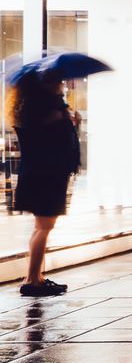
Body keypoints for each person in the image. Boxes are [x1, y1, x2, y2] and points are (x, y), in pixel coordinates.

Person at [10, 72, 81, 298]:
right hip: (46, 175)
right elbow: (52, 142)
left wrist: (71, 122)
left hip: (40, 174)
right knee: (44, 226)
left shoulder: (30, 108)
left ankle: (35, 277)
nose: (62, 85)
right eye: (58, 81)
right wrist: (65, 120)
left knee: (41, 226)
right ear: (47, 85)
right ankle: (32, 280)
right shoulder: (46, 111)